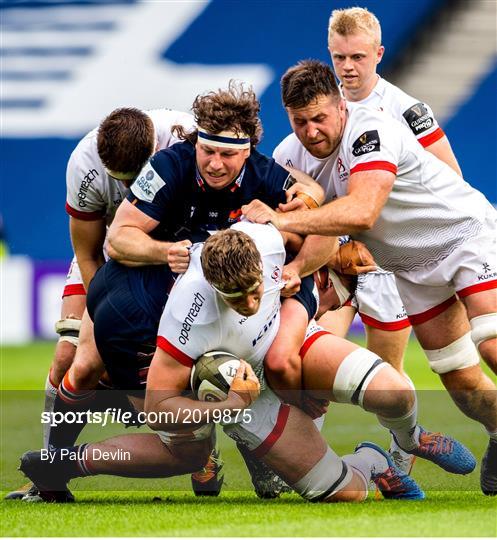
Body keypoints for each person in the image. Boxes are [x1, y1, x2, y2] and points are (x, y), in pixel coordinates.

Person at [19, 221, 427, 503]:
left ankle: (409, 439)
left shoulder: (263, 239)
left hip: (282, 342)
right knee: (341, 493)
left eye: (256, 291)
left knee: (391, 390)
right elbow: (160, 409)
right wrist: (231, 406)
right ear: (213, 286)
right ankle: (370, 462)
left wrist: (298, 270)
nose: (251, 304)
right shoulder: (186, 319)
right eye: (237, 298)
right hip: (241, 396)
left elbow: (319, 228)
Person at [241, 59, 497, 496]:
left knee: (490, 340)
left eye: (320, 117)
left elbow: (362, 211)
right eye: (300, 121)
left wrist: (282, 224)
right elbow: (307, 225)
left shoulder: (369, 131)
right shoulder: (288, 156)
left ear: (341, 106)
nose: (311, 131)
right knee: (458, 376)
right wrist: (305, 261)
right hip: (412, 270)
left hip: (463, 237)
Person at [5, 107, 197, 502]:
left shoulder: (186, 142)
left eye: (135, 180)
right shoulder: (84, 165)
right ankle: (49, 473)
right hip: (109, 259)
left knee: (181, 367)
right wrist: (112, 321)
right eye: (119, 182)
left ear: (153, 151)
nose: (128, 192)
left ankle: (204, 450)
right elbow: (89, 254)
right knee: (73, 360)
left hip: (174, 254)